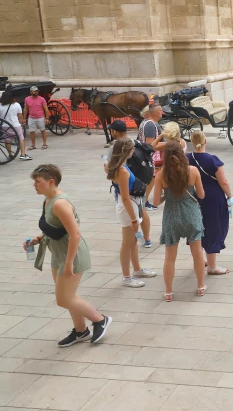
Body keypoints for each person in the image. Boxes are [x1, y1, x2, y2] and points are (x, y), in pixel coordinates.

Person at [26, 164, 112, 346]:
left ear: (51, 182)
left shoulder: (60, 204)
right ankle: (81, 331)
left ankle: (100, 319)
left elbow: (75, 234)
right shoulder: (48, 200)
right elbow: (57, 228)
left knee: (63, 299)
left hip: (71, 255)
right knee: (69, 296)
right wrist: (39, 238)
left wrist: (69, 262)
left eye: (37, 181)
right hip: (59, 254)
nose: (34, 185)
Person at [154, 140, 207, 301]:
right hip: (191, 214)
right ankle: (200, 287)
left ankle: (169, 292)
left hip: (171, 216)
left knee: (170, 257)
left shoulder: (161, 175)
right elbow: (202, 195)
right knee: (197, 254)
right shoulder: (193, 171)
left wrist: (168, 195)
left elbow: (156, 202)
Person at [105, 137, 157, 288]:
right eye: (132, 149)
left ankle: (137, 269)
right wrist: (134, 220)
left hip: (131, 204)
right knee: (127, 243)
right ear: (126, 152)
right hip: (128, 206)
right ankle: (126, 276)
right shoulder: (121, 171)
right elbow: (126, 198)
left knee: (133, 241)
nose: (134, 151)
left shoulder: (115, 165)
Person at [188, 131, 232, 275]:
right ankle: (212, 266)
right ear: (205, 141)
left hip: (194, 196)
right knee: (213, 227)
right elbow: (223, 181)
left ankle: (200, 258)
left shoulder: (187, 158)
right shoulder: (213, 160)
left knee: (198, 227)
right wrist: (230, 195)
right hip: (213, 197)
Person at [138, 103, 164, 210]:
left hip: (148, 155)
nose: (162, 112)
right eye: (160, 110)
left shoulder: (147, 123)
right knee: (151, 178)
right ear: (154, 112)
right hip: (151, 156)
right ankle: (145, 201)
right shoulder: (150, 125)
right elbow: (150, 144)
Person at [0, 95, 31, 160]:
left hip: (4, 126)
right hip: (15, 125)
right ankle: (23, 154)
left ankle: (10, 155)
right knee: (21, 139)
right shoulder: (16, 105)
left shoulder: (0, 105)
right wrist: (22, 124)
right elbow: (20, 116)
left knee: (7, 140)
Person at [23, 85, 50, 150]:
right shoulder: (27, 99)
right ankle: (33, 145)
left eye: (37, 91)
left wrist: (47, 118)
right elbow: (26, 109)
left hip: (40, 117)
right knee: (32, 131)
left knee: (43, 130)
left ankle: (44, 144)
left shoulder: (42, 99)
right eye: (34, 91)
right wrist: (24, 118)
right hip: (31, 118)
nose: (36, 92)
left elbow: (46, 109)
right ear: (31, 92)